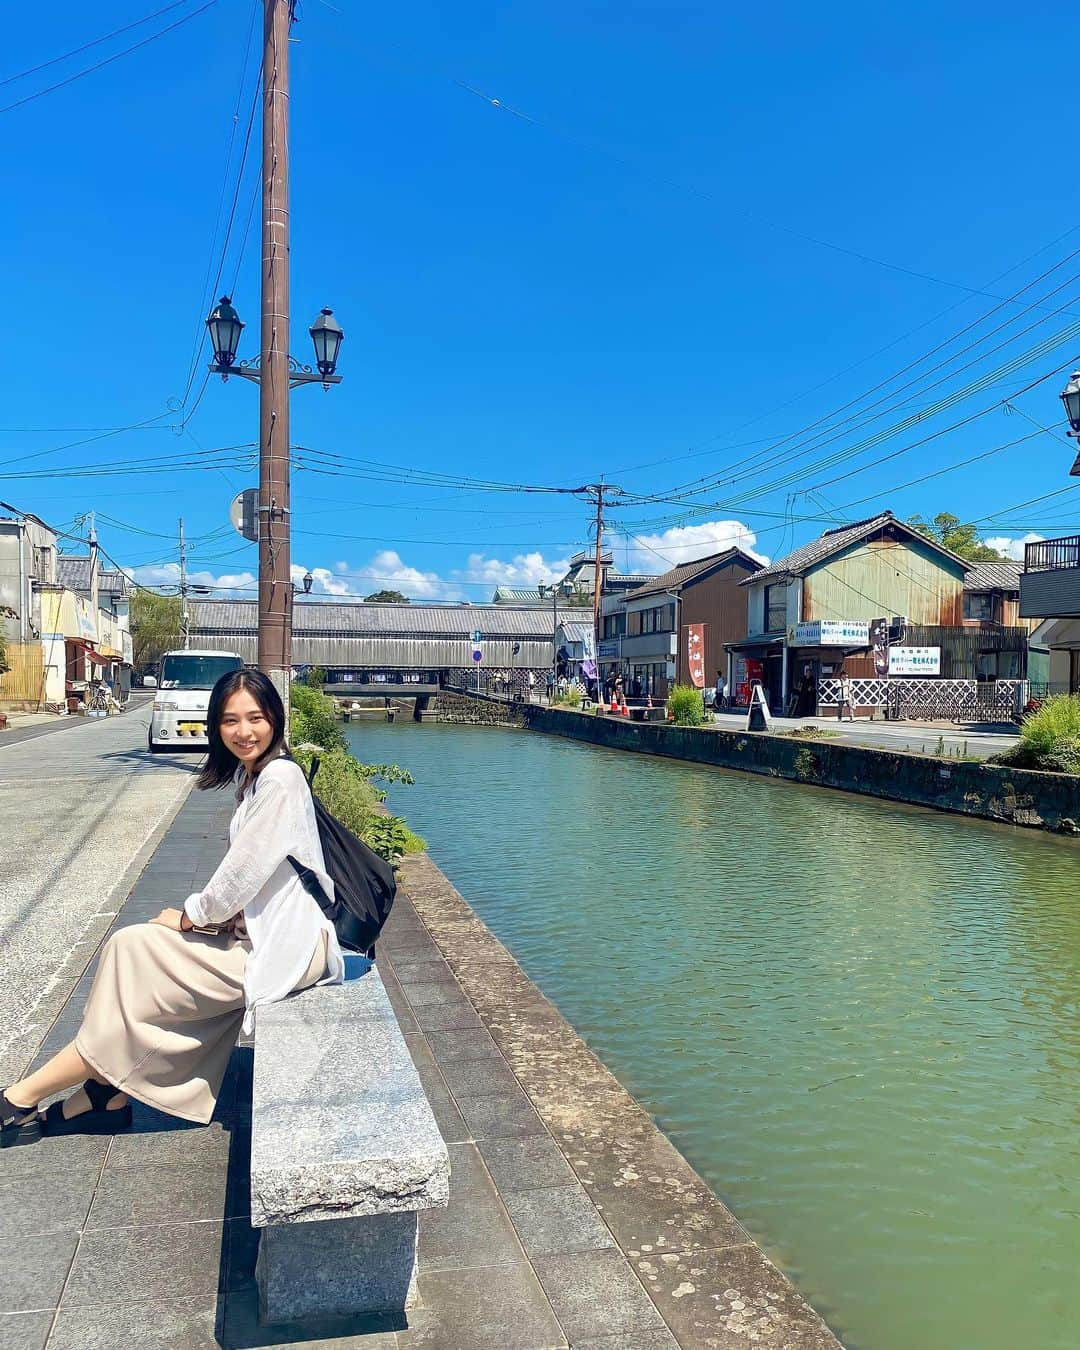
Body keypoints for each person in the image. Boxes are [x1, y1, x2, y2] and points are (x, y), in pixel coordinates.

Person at [0, 669, 345, 1145]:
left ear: (275, 720)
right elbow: (250, 879)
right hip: (258, 933)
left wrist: (191, 916)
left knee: (140, 976)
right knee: (129, 946)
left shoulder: (281, 778)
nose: (244, 731)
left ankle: (24, 1097)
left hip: (287, 947)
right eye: (230, 721)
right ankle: (103, 1095)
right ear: (216, 726)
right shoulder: (256, 776)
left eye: (256, 718)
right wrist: (203, 919)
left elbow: (239, 876)